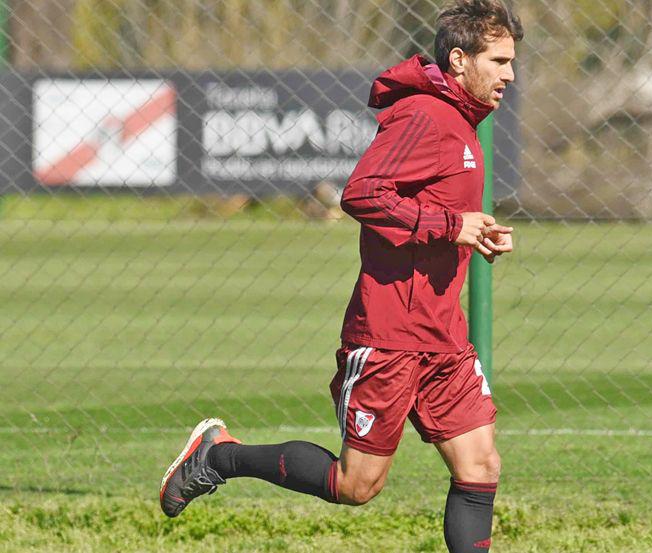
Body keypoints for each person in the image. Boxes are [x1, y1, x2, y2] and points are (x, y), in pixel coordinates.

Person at [159, 1, 523, 551]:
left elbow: (436, 217)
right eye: (498, 61)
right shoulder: (426, 116)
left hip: (443, 337)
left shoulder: (462, 124)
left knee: (479, 465)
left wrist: (474, 234)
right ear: (458, 59)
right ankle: (218, 455)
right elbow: (362, 193)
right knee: (357, 485)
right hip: (390, 336)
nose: (509, 75)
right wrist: (450, 224)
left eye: (511, 61)